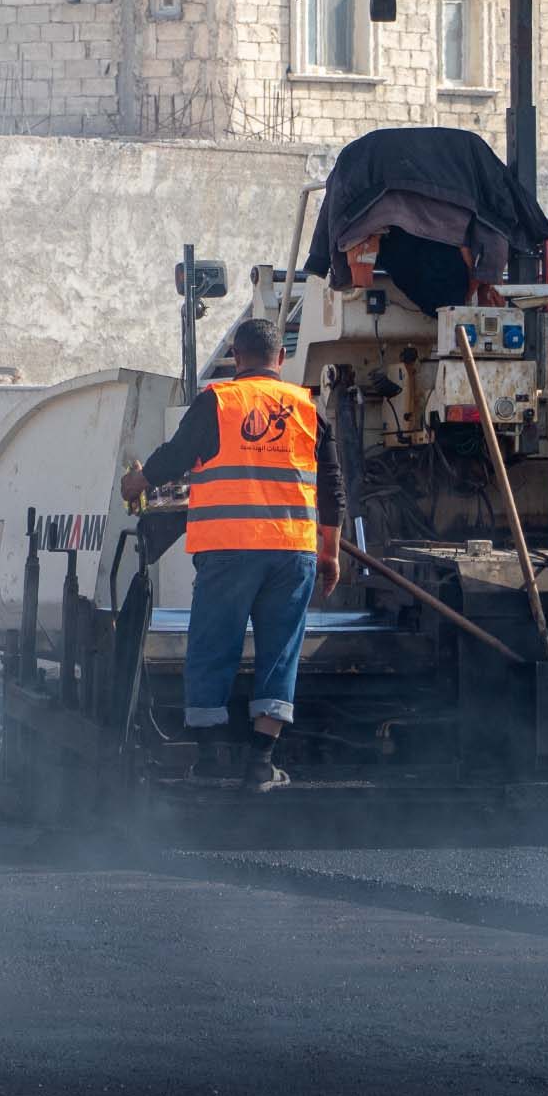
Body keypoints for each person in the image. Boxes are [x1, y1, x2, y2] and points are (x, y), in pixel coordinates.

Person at [120, 317, 342, 792]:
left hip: (229, 549)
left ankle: (208, 760)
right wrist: (331, 552)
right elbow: (333, 485)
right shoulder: (307, 407)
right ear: (279, 358)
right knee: (280, 652)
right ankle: (262, 764)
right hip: (292, 552)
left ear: (236, 358)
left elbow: (176, 454)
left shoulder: (218, 401)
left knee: (212, 647)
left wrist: (139, 482)